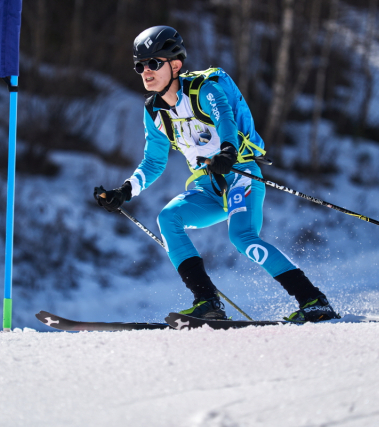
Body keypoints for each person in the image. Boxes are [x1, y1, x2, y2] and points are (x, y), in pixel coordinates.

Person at [94, 26, 339, 323]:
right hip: (207, 185)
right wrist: (126, 191)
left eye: (154, 63)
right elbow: (153, 162)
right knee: (169, 219)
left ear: (175, 64)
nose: (146, 70)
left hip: (239, 174)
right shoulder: (154, 112)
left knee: (243, 237)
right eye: (140, 65)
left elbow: (225, 120)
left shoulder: (203, 90)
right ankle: (207, 302)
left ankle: (313, 300)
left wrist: (227, 153)